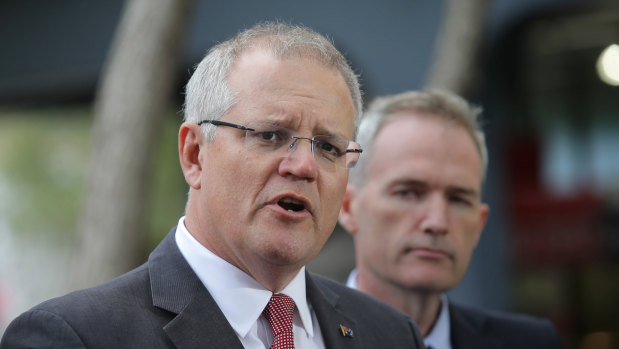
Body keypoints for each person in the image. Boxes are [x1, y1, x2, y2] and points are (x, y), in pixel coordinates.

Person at [0, 22, 426, 349]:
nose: (304, 166)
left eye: (329, 147)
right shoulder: (77, 337)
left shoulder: (390, 334)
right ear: (194, 155)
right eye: (270, 135)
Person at [338, 89, 563, 349]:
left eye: (458, 199)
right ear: (348, 208)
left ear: (479, 225)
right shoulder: (297, 340)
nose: (437, 222)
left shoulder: (532, 344)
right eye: (408, 192)